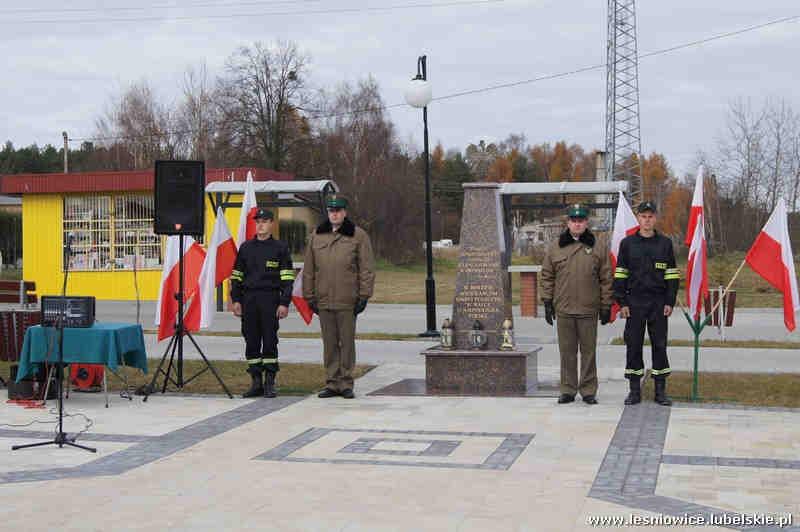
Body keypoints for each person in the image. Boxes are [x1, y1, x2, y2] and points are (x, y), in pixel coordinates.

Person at [303, 195, 375, 399]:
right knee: (329, 343)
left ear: (345, 212)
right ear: (327, 212)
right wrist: (309, 296)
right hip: (323, 299)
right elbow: (309, 270)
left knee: (346, 342)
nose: (334, 214)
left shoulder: (358, 236)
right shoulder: (317, 235)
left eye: (338, 210)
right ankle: (332, 383)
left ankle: (346, 383)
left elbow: (367, 269)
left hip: (347, 299)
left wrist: (364, 296)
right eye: (331, 210)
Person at [540, 204, 613, 405]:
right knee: (567, 352)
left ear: (586, 222)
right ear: (568, 223)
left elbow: (606, 278)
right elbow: (547, 276)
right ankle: (568, 389)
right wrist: (547, 302)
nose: (577, 224)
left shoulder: (598, 246)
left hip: (589, 309)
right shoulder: (556, 247)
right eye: (574, 220)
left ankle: (588, 390)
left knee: (589, 352)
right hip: (564, 309)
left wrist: (606, 305)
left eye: (581, 220)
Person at [613, 201, 680, 406]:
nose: (647, 220)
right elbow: (620, 275)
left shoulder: (665, 244)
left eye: (650, 216)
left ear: (655, 218)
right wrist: (622, 302)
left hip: (659, 303)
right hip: (634, 303)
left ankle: (660, 391)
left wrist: (670, 300)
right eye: (643, 216)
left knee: (659, 345)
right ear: (638, 218)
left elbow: (672, 275)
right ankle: (634, 390)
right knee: (633, 345)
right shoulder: (627, 244)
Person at [230, 207, 295, 398]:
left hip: (270, 300)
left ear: (271, 224)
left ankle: (269, 382)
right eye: (258, 221)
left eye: (264, 221)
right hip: (249, 300)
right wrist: (236, 300)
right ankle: (256, 382)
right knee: (251, 341)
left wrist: (284, 303)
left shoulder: (280, 248)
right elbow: (236, 276)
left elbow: (287, 279)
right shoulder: (246, 248)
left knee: (269, 341)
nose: (260, 225)